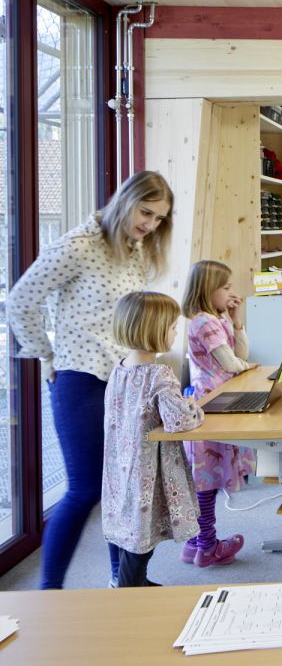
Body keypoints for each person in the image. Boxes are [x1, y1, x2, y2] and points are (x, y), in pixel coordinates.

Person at [6, 170, 174, 589]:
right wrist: (45, 355)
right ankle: (49, 591)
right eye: (146, 212)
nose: (151, 224)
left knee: (123, 486)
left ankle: (126, 581)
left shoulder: (134, 249)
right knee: (85, 489)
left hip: (124, 380)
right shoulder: (77, 246)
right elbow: (20, 300)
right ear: (126, 201)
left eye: (159, 219)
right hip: (80, 378)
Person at [102, 292, 204, 587]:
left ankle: (131, 584)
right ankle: (130, 593)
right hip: (148, 473)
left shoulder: (119, 370)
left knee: (127, 532)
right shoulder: (159, 375)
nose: (175, 332)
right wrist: (195, 408)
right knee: (140, 542)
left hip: (120, 471)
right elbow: (180, 421)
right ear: (155, 329)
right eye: (173, 326)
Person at [181, 260, 258, 567]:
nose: (231, 292)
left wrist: (237, 322)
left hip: (219, 399)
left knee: (207, 476)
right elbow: (232, 362)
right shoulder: (204, 322)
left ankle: (195, 541)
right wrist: (246, 368)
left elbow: (241, 354)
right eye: (225, 287)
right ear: (207, 289)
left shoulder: (216, 318)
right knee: (206, 477)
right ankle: (207, 545)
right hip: (211, 403)